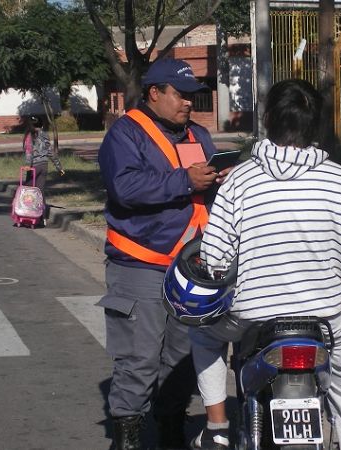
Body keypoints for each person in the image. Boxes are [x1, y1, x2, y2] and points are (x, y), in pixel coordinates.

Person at [184, 79, 341, 450]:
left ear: (268, 118)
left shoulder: (239, 182)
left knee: (202, 334)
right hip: (325, 321)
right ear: (316, 124)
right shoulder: (340, 181)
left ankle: (217, 426)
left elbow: (214, 260)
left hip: (253, 317)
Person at [97, 58, 229, 450]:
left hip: (192, 268)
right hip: (140, 265)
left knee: (184, 357)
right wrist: (184, 180)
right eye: (180, 94)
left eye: (192, 96)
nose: (188, 102)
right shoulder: (125, 135)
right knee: (139, 360)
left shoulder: (198, 136)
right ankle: (128, 435)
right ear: (155, 93)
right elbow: (125, 188)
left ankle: (170, 427)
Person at [22, 115, 64, 192]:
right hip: (44, 165)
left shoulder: (30, 135)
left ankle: (31, 204)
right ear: (41, 125)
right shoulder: (45, 135)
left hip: (34, 166)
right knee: (40, 191)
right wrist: (59, 167)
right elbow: (50, 152)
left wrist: (28, 164)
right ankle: (41, 204)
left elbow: (29, 151)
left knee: (29, 190)